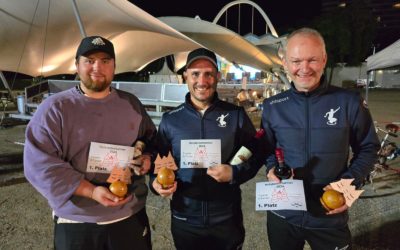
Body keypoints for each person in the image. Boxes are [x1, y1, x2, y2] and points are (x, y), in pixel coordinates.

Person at [24, 36, 156, 250]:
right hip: (77, 222)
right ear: (77, 65)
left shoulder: (131, 104)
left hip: (129, 216)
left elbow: (150, 139)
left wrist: (146, 158)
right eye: (89, 60)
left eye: (105, 60)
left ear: (114, 66)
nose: (97, 67)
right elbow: (38, 165)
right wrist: (91, 191)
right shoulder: (55, 109)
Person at [261, 27, 380, 250]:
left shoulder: (349, 101)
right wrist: (271, 168)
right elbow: (267, 148)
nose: (304, 68)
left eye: (312, 60)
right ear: (285, 63)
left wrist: (348, 185)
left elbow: (368, 147)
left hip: (329, 214)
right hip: (283, 213)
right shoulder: (272, 107)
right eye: (296, 61)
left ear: (324, 59)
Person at [150, 48, 265, 250]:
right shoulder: (171, 120)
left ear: (217, 77)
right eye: (195, 73)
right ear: (186, 75)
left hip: (226, 218)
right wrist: (155, 184)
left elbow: (255, 153)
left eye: (208, 74)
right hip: (185, 218)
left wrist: (235, 172)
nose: (202, 81)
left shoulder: (235, 115)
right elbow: (158, 162)